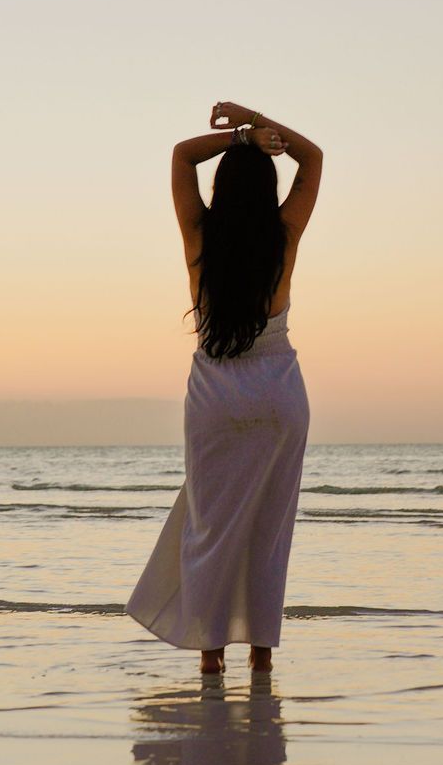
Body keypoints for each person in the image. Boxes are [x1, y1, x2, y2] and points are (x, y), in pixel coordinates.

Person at [125, 100, 323, 675]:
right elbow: (313, 158)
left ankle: (211, 657)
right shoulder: (284, 233)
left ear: (221, 187)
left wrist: (239, 135)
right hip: (279, 391)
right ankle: (261, 657)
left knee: (209, 525)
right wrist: (261, 126)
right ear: (268, 187)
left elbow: (182, 155)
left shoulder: (199, 233)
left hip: (216, 393)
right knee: (269, 529)